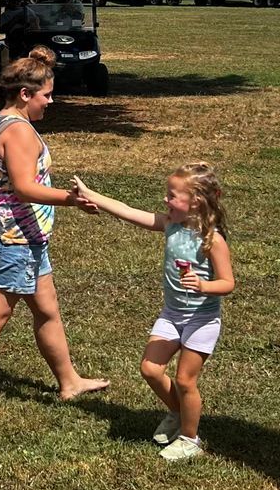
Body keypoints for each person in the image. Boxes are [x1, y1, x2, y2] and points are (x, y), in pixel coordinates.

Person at [0, 53, 107, 419]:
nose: (51, 101)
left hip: (25, 236)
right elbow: (25, 188)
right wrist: (72, 199)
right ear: (25, 94)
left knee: (47, 310)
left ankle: (69, 381)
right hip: (13, 239)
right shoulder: (19, 132)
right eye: (46, 94)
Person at [72, 164, 235, 462]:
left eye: (172, 196)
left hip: (201, 320)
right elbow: (127, 210)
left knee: (186, 380)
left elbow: (228, 283)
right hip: (172, 314)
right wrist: (90, 193)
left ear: (195, 201)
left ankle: (190, 438)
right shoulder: (170, 225)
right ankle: (178, 412)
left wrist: (203, 285)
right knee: (150, 369)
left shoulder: (213, 240)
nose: (165, 201)